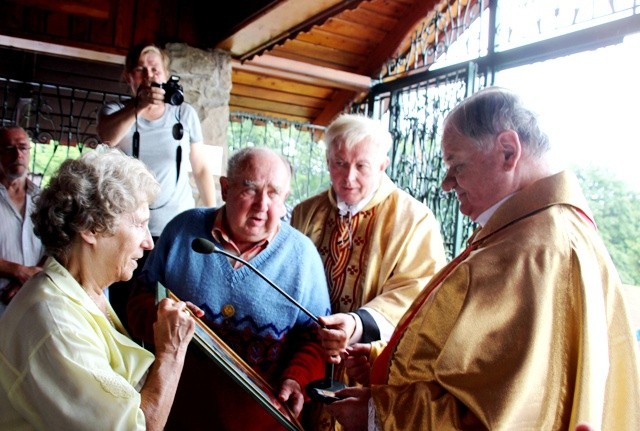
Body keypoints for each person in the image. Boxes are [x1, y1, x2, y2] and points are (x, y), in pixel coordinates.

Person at [325, 87, 640, 430]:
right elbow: (477, 362)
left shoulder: (534, 253)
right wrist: (381, 359)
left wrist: (378, 416)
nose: (447, 184)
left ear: (508, 151)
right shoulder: (534, 232)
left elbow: (503, 411)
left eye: (457, 166)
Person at [126, 146, 332, 430]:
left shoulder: (303, 256)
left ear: (285, 200)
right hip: (173, 414)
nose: (262, 205)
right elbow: (137, 300)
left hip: (259, 423)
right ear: (225, 188)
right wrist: (163, 319)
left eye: (273, 193)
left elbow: (316, 338)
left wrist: (297, 378)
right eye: (250, 189)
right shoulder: (182, 229)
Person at [0, 147, 204, 430]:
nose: (149, 242)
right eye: (139, 225)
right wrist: (171, 352)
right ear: (91, 228)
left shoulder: (88, 292)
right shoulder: (55, 323)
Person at [290, 114, 447, 429]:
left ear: (382, 165)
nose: (348, 177)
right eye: (338, 163)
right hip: (304, 367)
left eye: (361, 166)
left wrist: (356, 323)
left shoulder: (415, 219)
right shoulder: (306, 212)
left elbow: (419, 292)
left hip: (368, 372)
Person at [96, 43, 216, 328]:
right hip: (131, 229)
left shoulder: (184, 114)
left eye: (155, 69)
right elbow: (106, 139)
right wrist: (139, 106)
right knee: (128, 302)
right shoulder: (116, 110)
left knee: (172, 300)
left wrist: (211, 214)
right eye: (141, 69)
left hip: (176, 227)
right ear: (129, 76)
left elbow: (199, 167)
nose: (149, 76)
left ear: (166, 75)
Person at [0, 125, 45, 316]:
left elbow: (56, 246)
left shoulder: (42, 199)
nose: (17, 154)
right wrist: (18, 271)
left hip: (33, 299)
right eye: (9, 148)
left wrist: (30, 278)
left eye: (22, 147)